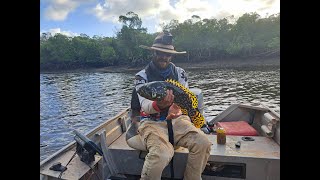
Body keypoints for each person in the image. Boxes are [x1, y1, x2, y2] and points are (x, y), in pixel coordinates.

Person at [131, 31, 212, 180]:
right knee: (160, 154)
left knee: (203, 143)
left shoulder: (180, 73)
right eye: (160, 53)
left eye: (168, 54)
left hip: (178, 120)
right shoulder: (141, 77)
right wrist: (159, 105)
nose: (164, 57)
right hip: (151, 122)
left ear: (172, 56)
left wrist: (177, 110)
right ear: (153, 52)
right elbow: (145, 105)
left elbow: (184, 97)